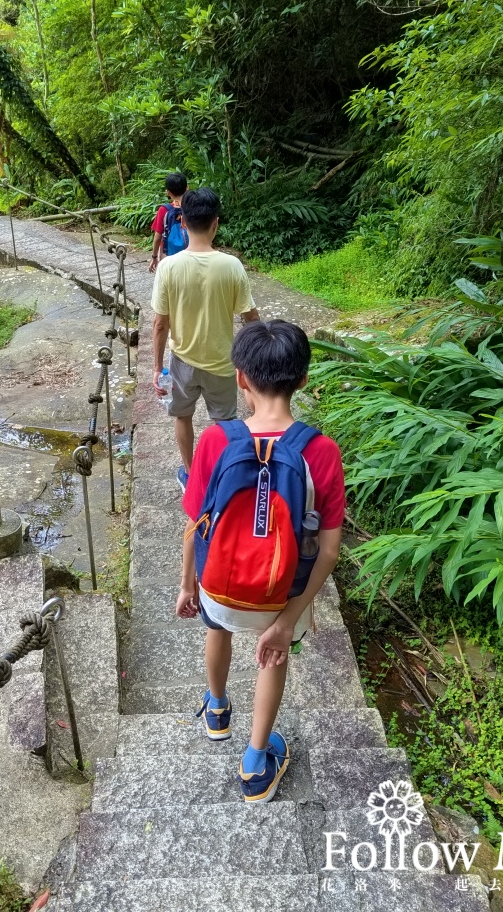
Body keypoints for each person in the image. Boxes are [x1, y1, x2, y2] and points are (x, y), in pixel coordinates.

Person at [176, 320, 344, 803]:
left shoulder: (213, 442)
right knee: (273, 655)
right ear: (303, 379)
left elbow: (194, 523)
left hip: (220, 585)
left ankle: (217, 710)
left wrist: (188, 585)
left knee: (217, 628)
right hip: (282, 593)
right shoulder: (322, 452)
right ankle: (254, 763)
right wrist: (288, 622)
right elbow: (329, 550)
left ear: (241, 378)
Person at [151, 186, 259, 489]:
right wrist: (252, 360)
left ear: (182, 221)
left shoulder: (168, 267)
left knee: (182, 417)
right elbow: (250, 317)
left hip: (182, 361)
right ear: (216, 223)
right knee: (225, 424)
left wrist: (157, 368)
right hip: (223, 362)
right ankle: (222, 478)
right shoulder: (231, 266)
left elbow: (160, 324)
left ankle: (191, 475)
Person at [149, 172, 187, 273]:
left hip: (168, 256)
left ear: (168, 192)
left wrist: (154, 257)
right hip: (191, 254)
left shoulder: (164, 210)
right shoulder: (194, 207)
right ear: (187, 188)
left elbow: (157, 238)